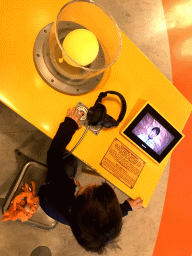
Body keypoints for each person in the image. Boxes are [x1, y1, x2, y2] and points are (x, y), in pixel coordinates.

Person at [38, 107, 143, 255]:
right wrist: (126, 207)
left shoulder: (60, 189)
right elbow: (108, 219)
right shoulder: (81, 226)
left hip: (50, 191)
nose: (94, 183)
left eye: (93, 188)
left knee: (67, 161)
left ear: (80, 194)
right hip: (64, 195)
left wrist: (69, 125)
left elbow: (54, 154)